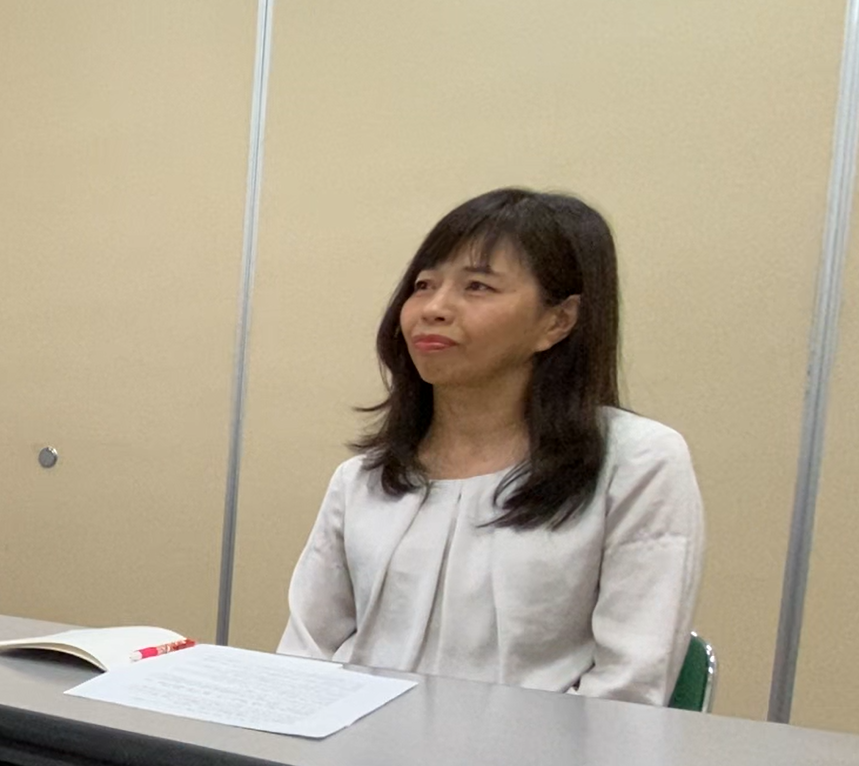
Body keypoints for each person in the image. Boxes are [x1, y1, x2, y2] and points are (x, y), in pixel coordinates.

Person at [278, 187, 704, 705]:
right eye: (423, 285)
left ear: (558, 321)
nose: (434, 308)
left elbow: (626, 690)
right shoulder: (365, 476)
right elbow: (303, 657)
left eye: (477, 286)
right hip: (351, 747)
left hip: (539, 756)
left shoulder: (638, 462)